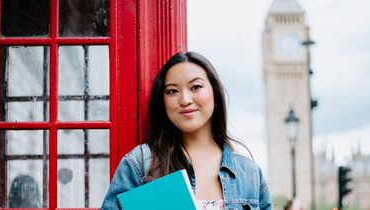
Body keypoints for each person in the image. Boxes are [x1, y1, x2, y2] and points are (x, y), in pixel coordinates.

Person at [101, 51, 272, 210]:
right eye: (172, 91)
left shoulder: (250, 173)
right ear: (163, 102)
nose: (185, 99)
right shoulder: (141, 163)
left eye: (196, 87)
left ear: (215, 96)